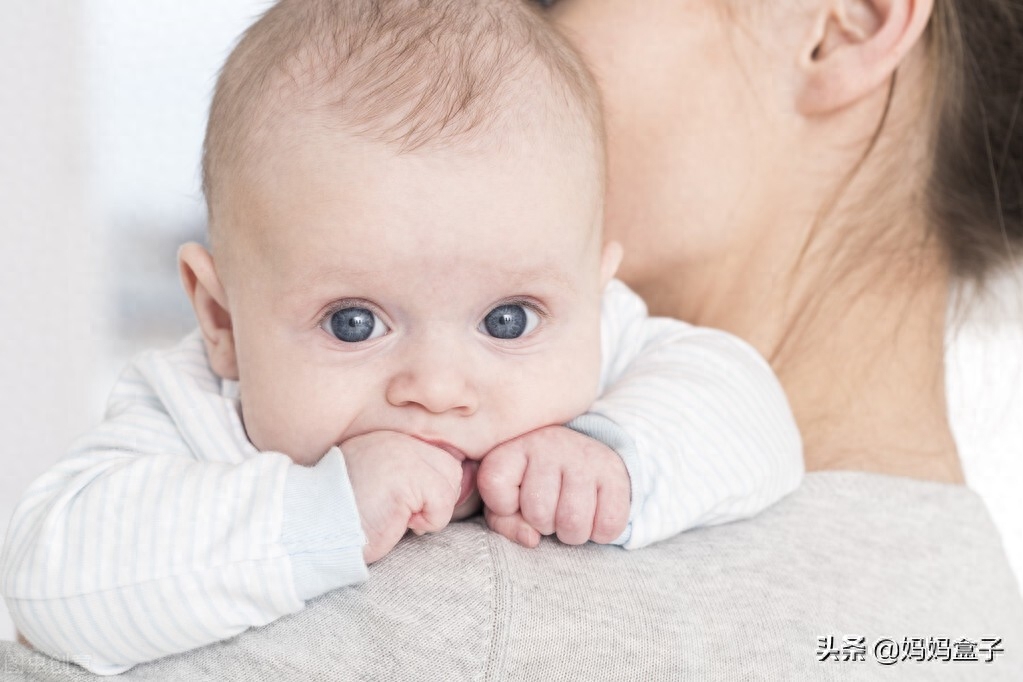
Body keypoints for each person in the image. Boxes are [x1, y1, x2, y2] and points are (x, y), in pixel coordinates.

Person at [2, 0, 1021, 678]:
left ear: (842, 21)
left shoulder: (478, 600)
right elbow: (59, 564)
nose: (440, 389)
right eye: (353, 322)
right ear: (218, 317)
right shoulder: (973, 613)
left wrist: (607, 461)